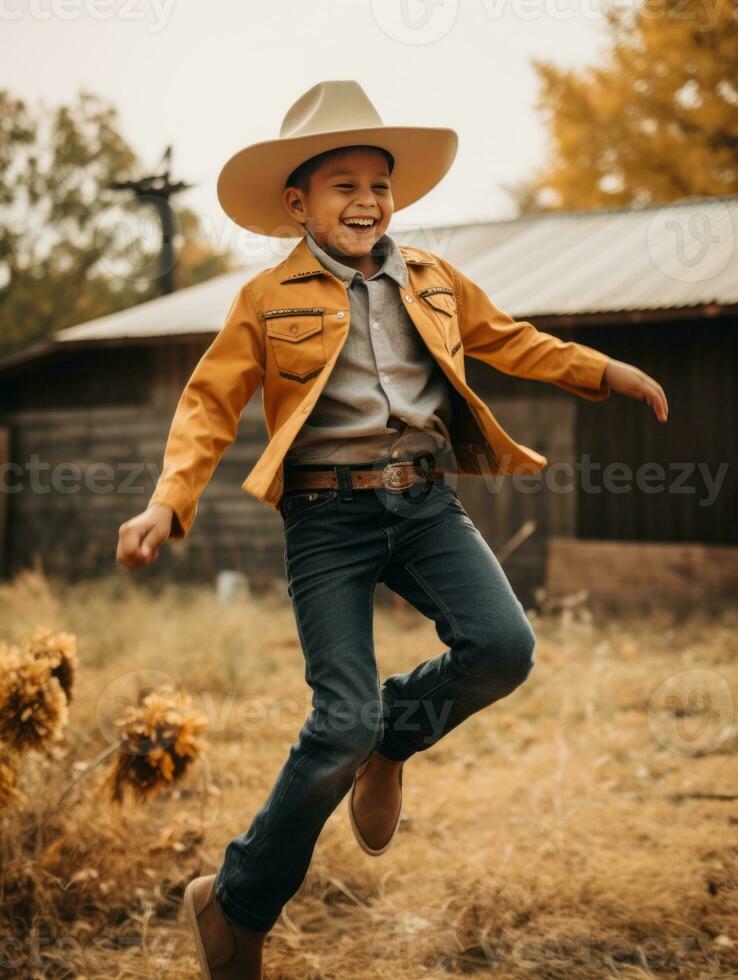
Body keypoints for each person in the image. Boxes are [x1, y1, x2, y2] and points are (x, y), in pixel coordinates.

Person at [116, 80, 668, 979]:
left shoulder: (433, 282)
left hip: (424, 504)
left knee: (502, 645)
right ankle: (234, 905)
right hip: (325, 518)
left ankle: (396, 738)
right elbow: (207, 404)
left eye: (380, 182)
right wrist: (165, 503)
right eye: (343, 183)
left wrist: (604, 370)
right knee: (339, 720)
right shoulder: (265, 298)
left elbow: (515, 340)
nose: (368, 198)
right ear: (297, 204)